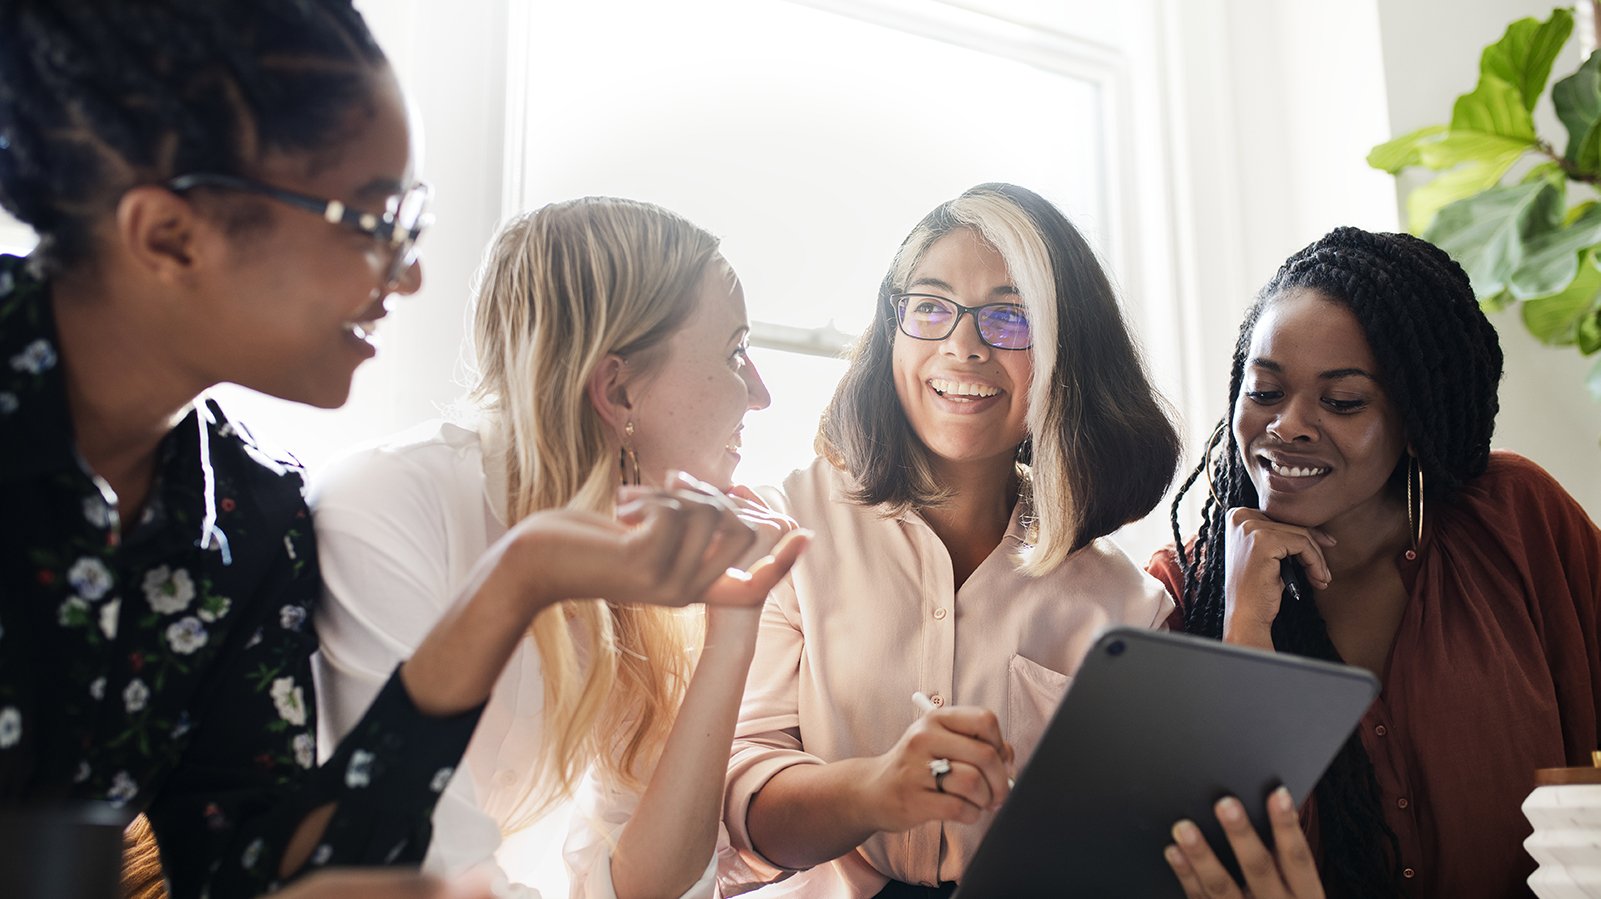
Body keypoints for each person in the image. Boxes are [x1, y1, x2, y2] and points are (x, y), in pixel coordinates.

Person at [0, 3, 787, 897]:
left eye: (411, 221)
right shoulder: (357, 502)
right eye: (371, 220)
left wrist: (518, 577)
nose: (409, 274)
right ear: (169, 235)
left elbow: (246, 862)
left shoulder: (251, 518)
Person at [312, 197, 808, 898]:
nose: (759, 394)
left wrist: (734, 626)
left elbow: (644, 885)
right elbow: (415, 863)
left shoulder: (636, 567)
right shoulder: (388, 504)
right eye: (734, 352)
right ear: (616, 388)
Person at [720, 182, 1182, 897]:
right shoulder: (789, 528)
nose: (962, 346)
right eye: (930, 308)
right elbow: (739, 804)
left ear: (1068, 352)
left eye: (1009, 316)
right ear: (892, 329)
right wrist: (872, 789)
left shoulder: (1127, 603)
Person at [1151, 226, 1601, 898]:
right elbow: (1215, 863)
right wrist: (1245, 627)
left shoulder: (1516, 519)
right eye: (1265, 391)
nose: (1288, 425)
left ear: (1414, 415)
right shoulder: (1184, 594)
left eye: (1342, 401)